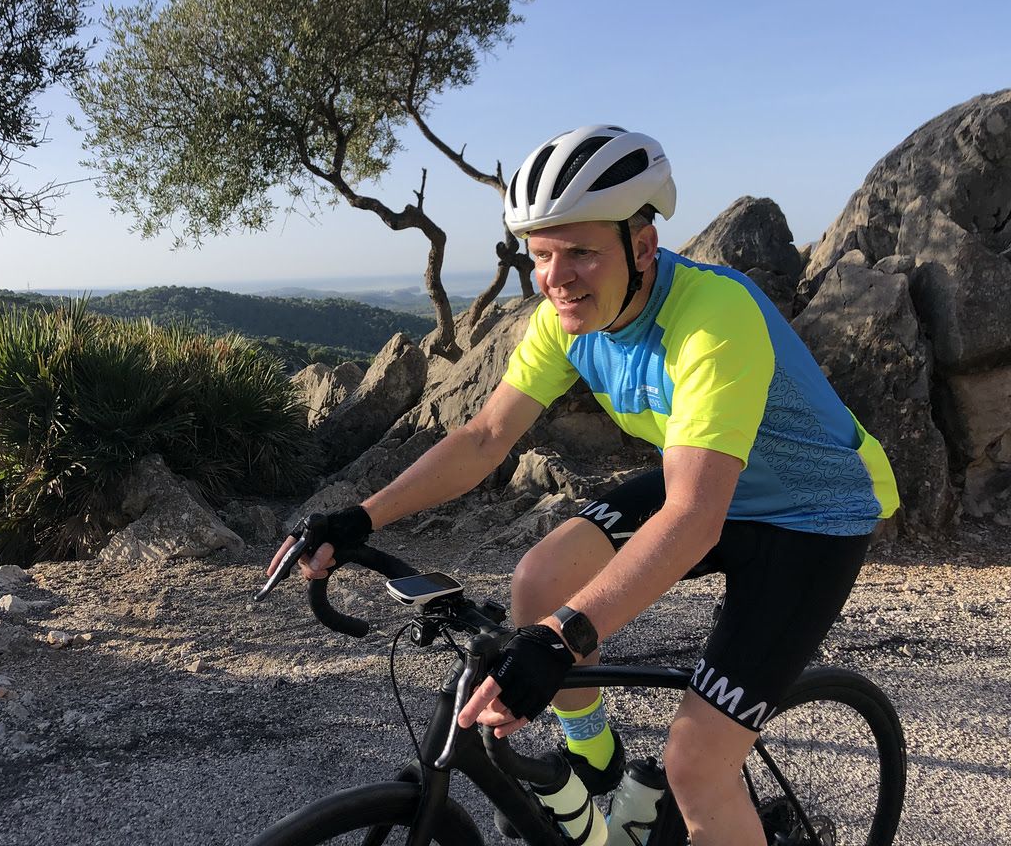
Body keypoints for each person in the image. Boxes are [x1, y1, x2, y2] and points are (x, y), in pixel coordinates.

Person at [268, 124, 899, 846]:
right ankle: (599, 776)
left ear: (642, 246)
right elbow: (482, 438)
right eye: (540, 254)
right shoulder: (566, 322)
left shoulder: (714, 319)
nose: (556, 276)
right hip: (706, 481)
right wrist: (358, 518)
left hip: (813, 517)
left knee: (696, 766)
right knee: (541, 577)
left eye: (581, 253)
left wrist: (561, 642)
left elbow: (694, 516)